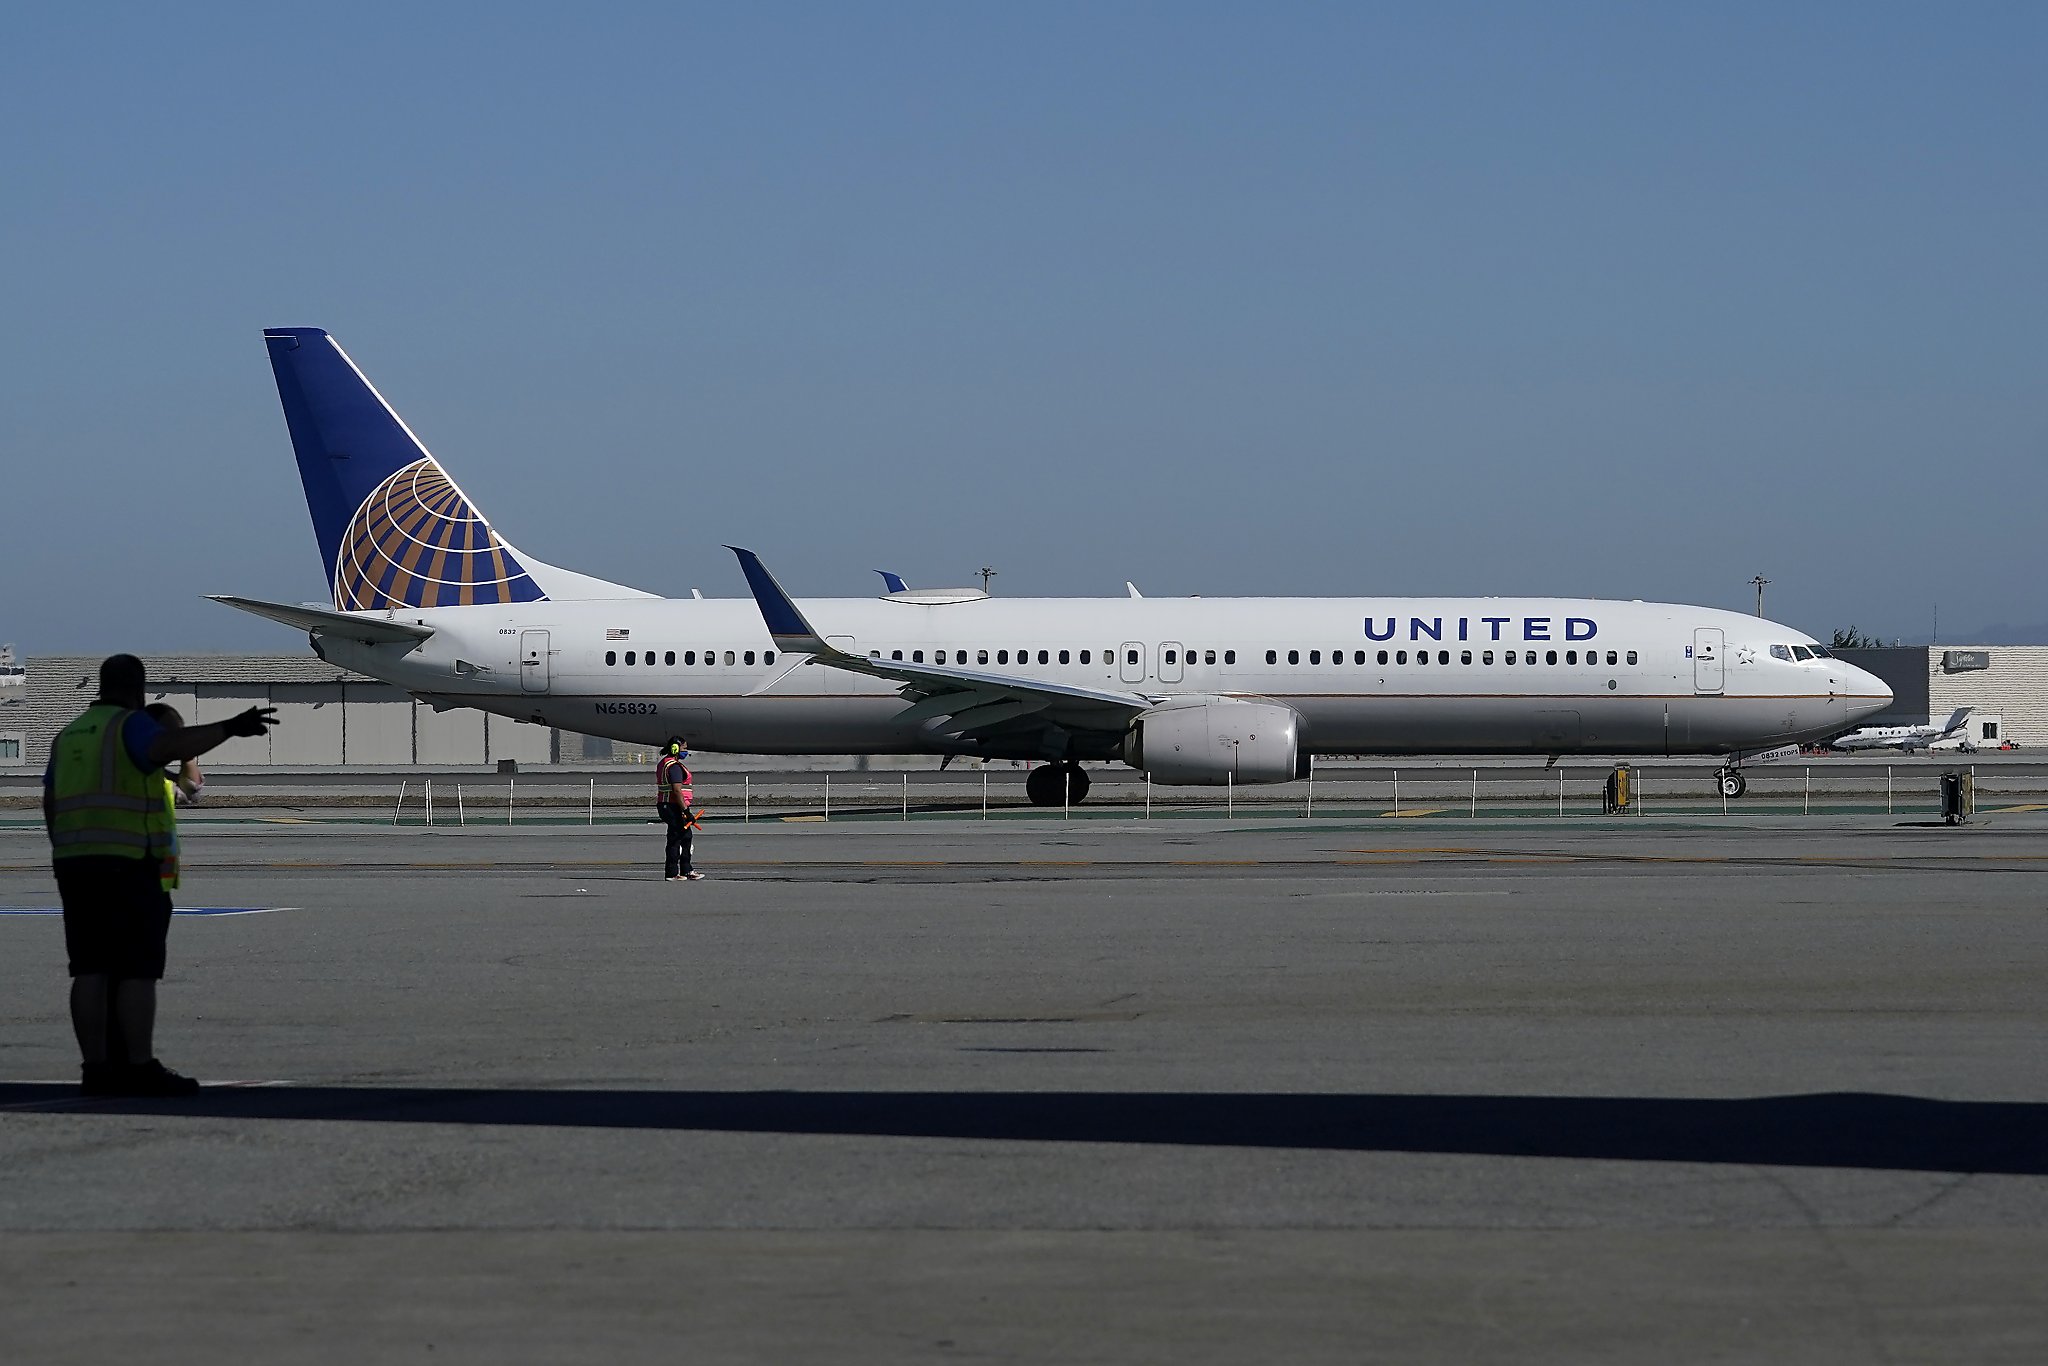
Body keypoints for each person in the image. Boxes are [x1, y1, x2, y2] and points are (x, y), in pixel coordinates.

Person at [45, 655, 277, 1096]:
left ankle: (95, 1069)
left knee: (89, 969)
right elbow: (165, 749)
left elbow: (51, 799)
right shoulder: (129, 725)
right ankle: (138, 1065)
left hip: (76, 863)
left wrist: (64, 850)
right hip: (128, 863)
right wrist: (230, 726)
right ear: (139, 688)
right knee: (136, 971)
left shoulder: (68, 734)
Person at [655, 737, 703, 882]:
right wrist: (686, 811)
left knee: (684, 836)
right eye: (684, 748)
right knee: (677, 839)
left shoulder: (664, 763)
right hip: (673, 806)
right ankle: (673, 873)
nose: (686, 752)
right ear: (675, 748)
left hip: (666, 805)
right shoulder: (674, 767)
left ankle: (686, 870)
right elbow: (677, 791)